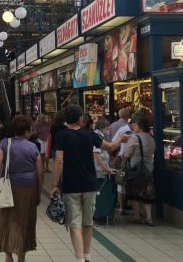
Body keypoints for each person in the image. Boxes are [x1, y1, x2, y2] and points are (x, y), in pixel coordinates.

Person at [51, 105, 129, 262]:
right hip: (89, 184)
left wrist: (54, 185)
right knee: (88, 222)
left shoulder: (61, 135)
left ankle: (79, 259)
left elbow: (59, 160)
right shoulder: (90, 135)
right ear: (80, 118)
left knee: (74, 223)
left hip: (71, 186)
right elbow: (110, 147)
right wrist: (121, 138)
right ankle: (87, 256)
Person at [0, 116, 43, 262]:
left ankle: (8, 255)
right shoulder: (33, 147)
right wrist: (38, 191)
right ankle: (21, 255)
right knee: (25, 220)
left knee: (7, 220)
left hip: (9, 187)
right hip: (28, 188)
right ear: (26, 131)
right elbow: (40, 172)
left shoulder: (5, 143)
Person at [124, 113, 156, 226]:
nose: (133, 127)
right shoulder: (151, 137)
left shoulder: (135, 138)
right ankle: (149, 217)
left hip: (136, 170)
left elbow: (126, 154)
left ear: (140, 126)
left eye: (135, 125)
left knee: (135, 194)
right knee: (148, 195)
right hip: (149, 169)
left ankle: (136, 216)